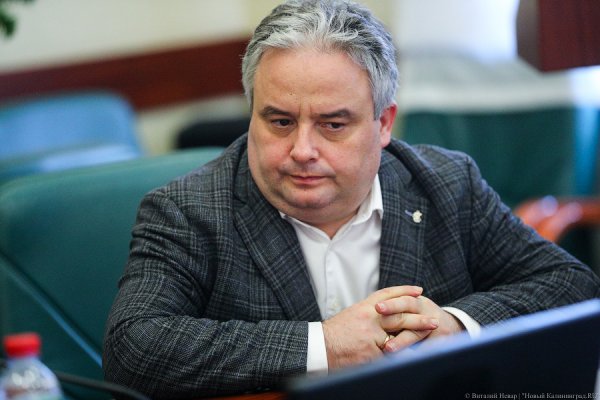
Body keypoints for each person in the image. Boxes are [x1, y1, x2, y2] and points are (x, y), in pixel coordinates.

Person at [103, 0, 600, 398]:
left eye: (333, 124)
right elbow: (133, 349)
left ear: (383, 124)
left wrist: (455, 324)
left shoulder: (448, 184)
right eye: (280, 121)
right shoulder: (187, 210)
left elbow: (571, 284)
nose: (302, 150)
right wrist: (325, 346)